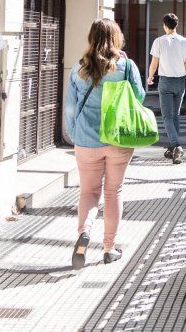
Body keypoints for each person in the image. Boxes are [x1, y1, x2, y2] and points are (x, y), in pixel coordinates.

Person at [64, 18, 145, 268]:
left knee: (88, 193)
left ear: (91, 38)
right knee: (113, 192)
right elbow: (140, 96)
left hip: (86, 140)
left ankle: (84, 233)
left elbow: (69, 109)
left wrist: (75, 135)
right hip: (119, 138)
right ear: (117, 38)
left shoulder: (78, 69)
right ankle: (109, 248)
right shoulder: (127, 66)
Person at [148, 13, 186, 164]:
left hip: (165, 81)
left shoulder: (159, 41)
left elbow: (155, 62)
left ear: (164, 25)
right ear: (176, 25)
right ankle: (172, 149)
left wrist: (150, 77)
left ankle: (176, 146)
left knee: (167, 116)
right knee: (175, 115)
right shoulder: (185, 41)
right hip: (180, 82)